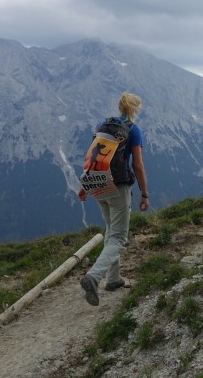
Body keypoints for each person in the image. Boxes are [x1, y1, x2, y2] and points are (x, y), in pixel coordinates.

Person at [78, 92, 149, 306]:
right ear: (135, 109)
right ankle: (94, 277)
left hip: (97, 182)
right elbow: (137, 165)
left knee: (111, 229)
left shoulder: (104, 126)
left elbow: (92, 158)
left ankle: (113, 279)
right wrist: (144, 193)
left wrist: (84, 186)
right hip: (118, 186)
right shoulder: (133, 130)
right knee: (118, 237)